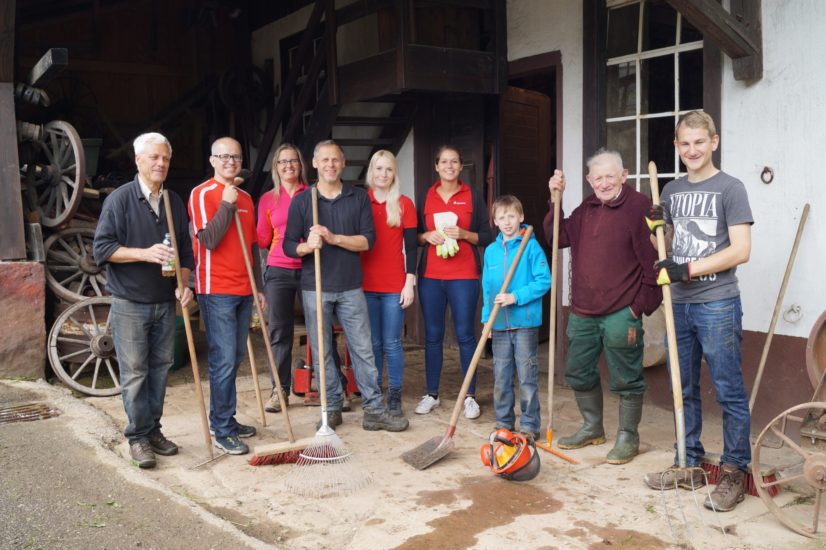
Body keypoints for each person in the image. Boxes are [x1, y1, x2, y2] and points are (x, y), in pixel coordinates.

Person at [644, 111, 753, 512]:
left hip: (717, 302)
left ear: (714, 142)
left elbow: (741, 250)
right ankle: (688, 463)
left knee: (728, 390)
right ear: (677, 146)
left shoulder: (731, 188)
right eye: (685, 143)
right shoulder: (671, 191)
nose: (692, 150)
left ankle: (734, 471)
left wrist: (686, 270)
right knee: (682, 386)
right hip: (679, 304)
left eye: (700, 142)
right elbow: (670, 246)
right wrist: (656, 227)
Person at [543, 149, 662, 465]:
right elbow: (557, 237)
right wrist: (555, 200)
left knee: (626, 377)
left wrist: (638, 307)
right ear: (589, 180)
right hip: (583, 310)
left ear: (624, 176)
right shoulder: (588, 207)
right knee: (577, 370)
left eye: (611, 176)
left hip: (622, 311)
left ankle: (628, 436)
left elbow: (654, 264)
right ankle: (592, 427)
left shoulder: (639, 207)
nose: (605, 183)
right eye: (598, 178)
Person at [283, 140, 408, 432]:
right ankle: (332, 407)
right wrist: (307, 246)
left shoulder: (358, 198)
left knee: (363, 348)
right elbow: (288, 245)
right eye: (324, 160)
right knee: (322, 350)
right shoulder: (303, 201)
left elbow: (367, 241)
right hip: (315, 287)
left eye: (335, 160)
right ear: (315, 163)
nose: (330, 165)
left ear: (343, 163)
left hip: (351, 286)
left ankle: (374, 410)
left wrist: (334, 238)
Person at [93, 132, 194, 469]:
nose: (160, 163)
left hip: (165, 301)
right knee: (135, 372)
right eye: (154, 157)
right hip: (130, 302)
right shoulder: (120, 200)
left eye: (165, 158)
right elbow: (102, 249)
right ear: (138, 161)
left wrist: (184, 283)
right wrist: (144, 253)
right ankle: (137, 436)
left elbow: (185, 253)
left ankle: (153, 430)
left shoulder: (173, 202)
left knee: (160, 370)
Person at [188, 137, 264, 455]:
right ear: (212, 160)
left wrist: (259, 287)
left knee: (235, 358)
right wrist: (227, 204)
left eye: (235, 156)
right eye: (224, 156)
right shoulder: (202, 193)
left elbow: (252, 246)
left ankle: (225, 418)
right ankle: (221, 429)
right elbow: (208, 240)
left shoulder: (247, 198)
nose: (230, 161)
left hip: (244, 289)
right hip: (216, 288)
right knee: (223, 360)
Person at [415, 145, 493, 419]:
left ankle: (469, 396)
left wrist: (464, 234)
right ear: (436, 166)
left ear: (461, 167)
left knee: (465, 334)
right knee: (433, 335)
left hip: (464, 275)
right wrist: (426, 236)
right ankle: (432, 394)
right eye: (444, 162)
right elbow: (414, 235)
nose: (449, 166)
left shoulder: (473, 196)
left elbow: (487, 235)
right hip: (431, 277)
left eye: (454, 162)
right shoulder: (426, 196)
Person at [482, 195, 551, 441]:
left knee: (526, 376)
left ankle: (530, 425)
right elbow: (487, 289)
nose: (507, 221)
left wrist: (516, 297)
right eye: (501, 217)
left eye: (512, 216)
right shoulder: (491, 252)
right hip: (499, 323)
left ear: (521, 217)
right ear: (495, 221)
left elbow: (544, 281)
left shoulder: (530, 247)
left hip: (525, 322)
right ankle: (504, 422)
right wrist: (486, 320)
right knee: (501, 376)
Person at [361, 150, 418, 417]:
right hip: (365, 284)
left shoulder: (404, 203)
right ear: (371, 171)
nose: (383, 174)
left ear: (395, 173)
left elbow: (412, 248)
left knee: (392, 342)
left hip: (395, 284)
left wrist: (409, 282)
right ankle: (375, 393)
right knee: (372, 343)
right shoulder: (361, 201)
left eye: (389, 169)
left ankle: (395, 394)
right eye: (379, 168)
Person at [257, 143, 309, 413]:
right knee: (279, 332)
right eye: (282, 161)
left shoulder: (311, 195)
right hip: (278, 268)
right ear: (276, 167)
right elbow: (262, 239)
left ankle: (331, 387)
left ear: (301, 165)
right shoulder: (268, 199)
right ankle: (280, 390)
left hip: (310, 267)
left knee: (320, 327)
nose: (288, 165)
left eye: (293, 160)